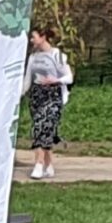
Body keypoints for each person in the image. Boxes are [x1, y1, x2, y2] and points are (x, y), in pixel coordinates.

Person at [26, 27, 73, 179]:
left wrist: (56, 80)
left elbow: (69, 77)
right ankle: (48, 164)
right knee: (44, 130)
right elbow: (27, 80)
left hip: (52, 95)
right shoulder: (33, 57)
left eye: (33, 37)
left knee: (41, 125)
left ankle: (38, 164)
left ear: (43, 37)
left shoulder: (56, 55)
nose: (31, 40)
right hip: (36, 96)